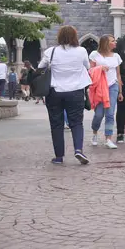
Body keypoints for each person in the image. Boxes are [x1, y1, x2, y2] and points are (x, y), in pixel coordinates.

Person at [38, 26, 92, 165]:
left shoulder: (51, 51)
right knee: (76, 123)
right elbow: (87, 66)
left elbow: (40, 67)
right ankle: (78, 150)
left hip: (55, 92)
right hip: (75, 91)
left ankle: (59, 156)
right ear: (75, 36)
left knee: (56, 124)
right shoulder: (81, 51)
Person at [89, 35, 122, 149]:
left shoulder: (116, 56)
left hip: (113, 86)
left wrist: (120, 91)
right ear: (106, 43)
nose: (115, 42)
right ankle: (94, 133)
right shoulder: (94, 55)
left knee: (110, 113)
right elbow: (90, 70)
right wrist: (100, 68)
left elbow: (118, 74)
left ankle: (108, 138)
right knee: (99, 114)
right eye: (113, 41)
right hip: (99, 88)